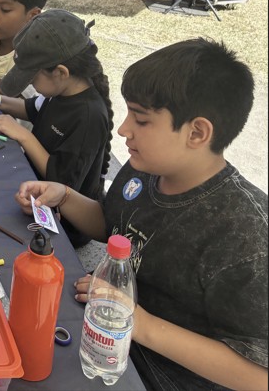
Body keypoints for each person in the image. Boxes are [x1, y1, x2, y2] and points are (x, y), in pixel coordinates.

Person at [15, 38, 267, 390]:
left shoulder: (246, 233)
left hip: (158, 375)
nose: (123, 129)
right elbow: (113, 225)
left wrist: (140, 323)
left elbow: (258, 374)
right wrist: (65, 196)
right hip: (102, 335)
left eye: (141, 119)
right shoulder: (146, 169)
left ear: (197, 132)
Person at [0, 9, 112, 247]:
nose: (30, 84)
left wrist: (24, 136)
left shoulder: (89, 117)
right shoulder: (60, 90)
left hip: (62, 224)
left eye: (32, 78)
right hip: (32, 189)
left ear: (60, 72)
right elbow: (31, 108)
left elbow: (61, 182)